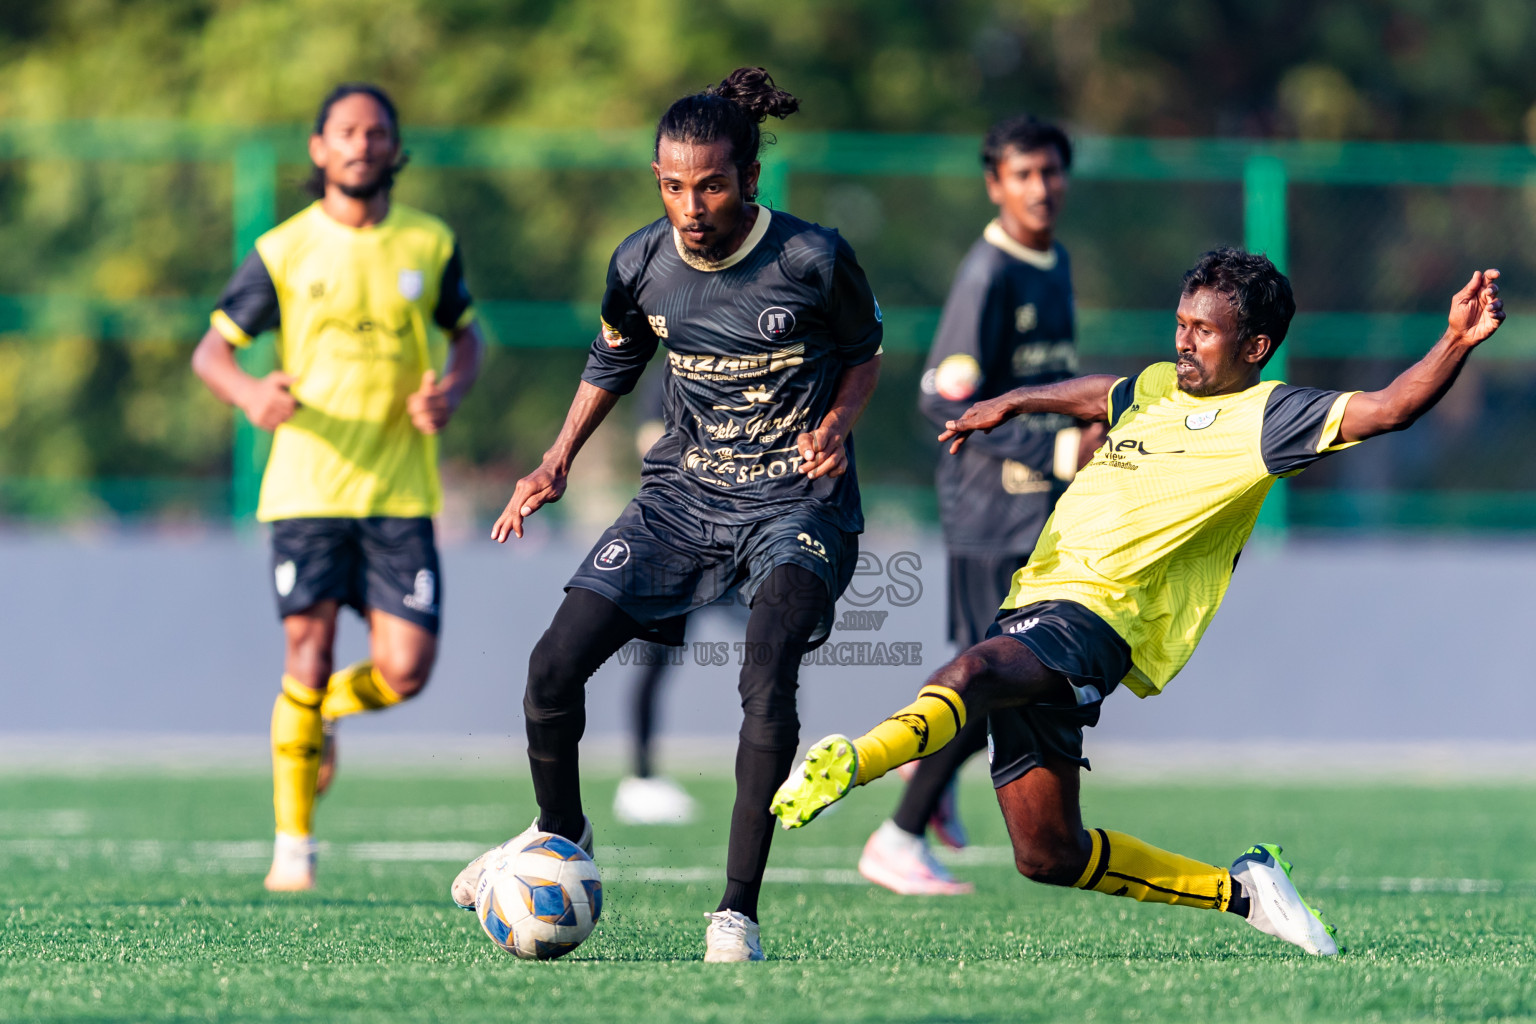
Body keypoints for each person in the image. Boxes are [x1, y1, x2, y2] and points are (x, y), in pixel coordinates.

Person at [773, 249, 1504, 956]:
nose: (1184, 343)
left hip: (1103, 618)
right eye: (1181, 324)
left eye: (1204, 332)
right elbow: (1101, 392)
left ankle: (854, 763)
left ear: (1255, 346)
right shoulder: (1159, 388)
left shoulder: (1269, 417)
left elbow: (1389, 408)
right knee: (1048, 854)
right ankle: (1244, 892)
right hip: (1037, 599)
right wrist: (1010, 400)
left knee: (972, 673)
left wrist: (1453, 341)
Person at [450, 68, 883, 962]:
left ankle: (736, 912)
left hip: (795, 506)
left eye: (712, 184)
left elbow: (863, 352)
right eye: (674, 185)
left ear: (750, 180)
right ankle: (562, 835)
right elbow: (614, 358)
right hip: (681, 500)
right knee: (550, 670)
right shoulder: (640, 261)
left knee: (763, 681)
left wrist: (837, 423)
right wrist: (556, 458)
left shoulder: (813, 259)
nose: (693, 204)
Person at [191, 83, 483, 892]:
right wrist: (251, 394)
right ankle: (294, 849)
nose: (361, 144)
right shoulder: (283, 249)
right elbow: (212, 354)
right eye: (346, 132)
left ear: (395, 149)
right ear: (319, 148)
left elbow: (469, 340)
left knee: (406, 670)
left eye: (376, 132)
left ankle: (320, 718)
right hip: (306, 490)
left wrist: (450, 393)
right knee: (306, 651)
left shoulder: (428, 242)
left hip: (398, 493)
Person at [859, 114, 1105, 897]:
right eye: (1023, 174)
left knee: (1000, 674)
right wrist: (1057, 450)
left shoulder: (1053, 260)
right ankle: (900, 833)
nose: (1041, 187)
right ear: (995, 184)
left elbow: (1041, 386)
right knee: (991, 675)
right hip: (990, 511)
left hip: (1039, 510)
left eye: (1051, 172)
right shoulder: (988, 275)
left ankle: (926, 800)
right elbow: (942, 403)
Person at [613, 369, 750, 826]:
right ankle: (641, 778)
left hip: (743, 534)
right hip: (681, 534)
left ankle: (780, 769)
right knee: (654, 656)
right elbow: (652, 442)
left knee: (776, 641)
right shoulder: (673, 372)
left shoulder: (753, 369)